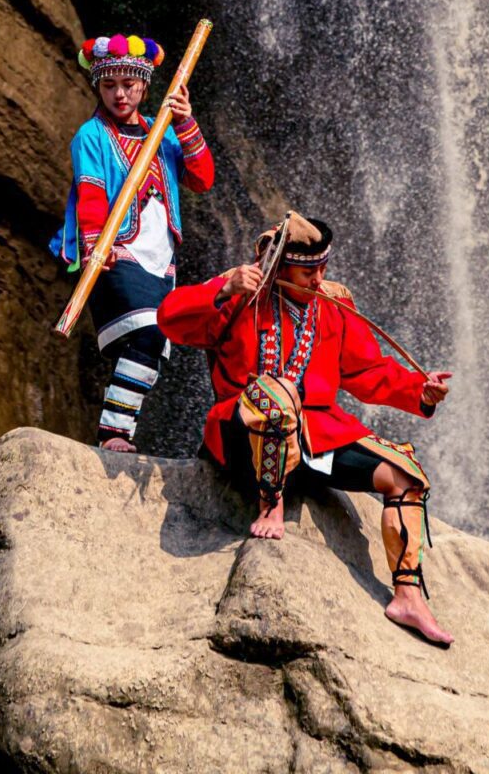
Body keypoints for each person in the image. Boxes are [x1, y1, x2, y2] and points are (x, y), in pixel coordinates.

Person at [158, 213, 455, 646]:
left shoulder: (332, 303)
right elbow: (170, 320)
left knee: (406, 475)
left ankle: (408, 595)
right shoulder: (241, 292)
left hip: (316, 436)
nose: (318, 279)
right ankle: (270, 503)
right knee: (277, 400)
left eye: (322, 268)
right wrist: (221, 291)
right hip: (246, 430)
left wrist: (420, 391)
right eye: (307, 270)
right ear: (280, 267)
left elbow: (369, 371)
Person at [50, 33, 214, 451]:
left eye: (129, 85)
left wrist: (185, 121)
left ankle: (120, 429)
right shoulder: (91, 136)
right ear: (98, 86)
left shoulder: (164, 134)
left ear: (145, 85)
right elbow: (90, 192)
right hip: (115, 251)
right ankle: (113, 433)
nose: (120, 94)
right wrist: (93, 248)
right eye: (109, 86)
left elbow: (202, 179)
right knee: (149, 330)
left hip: (161, 261)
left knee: (157, 343)